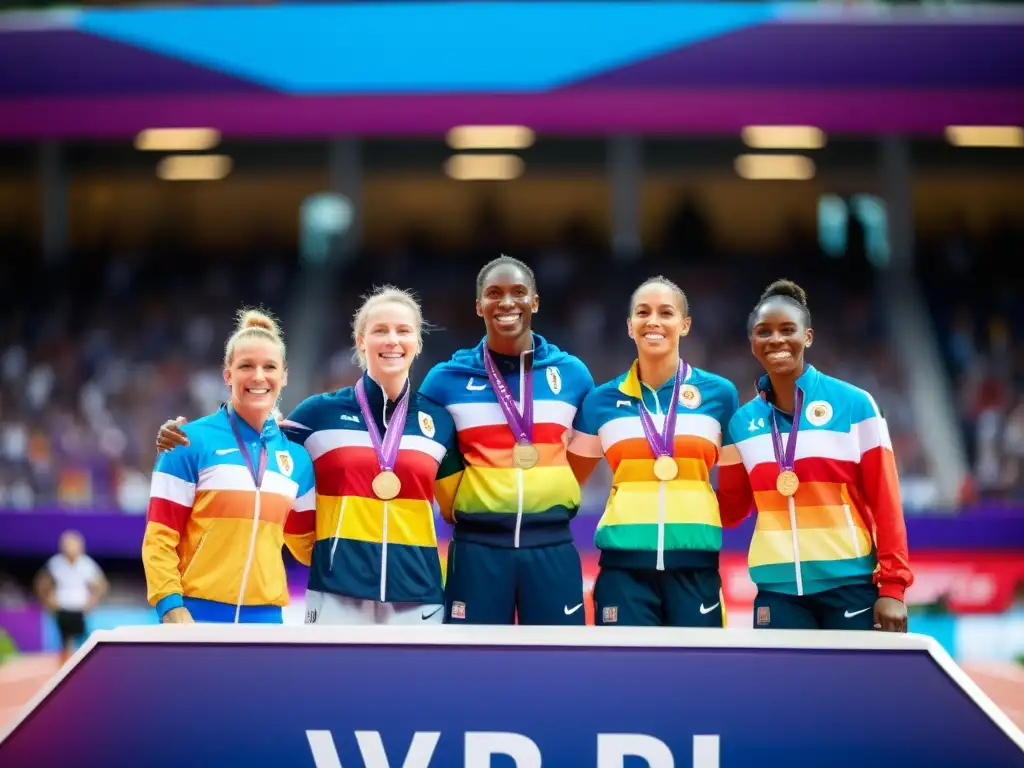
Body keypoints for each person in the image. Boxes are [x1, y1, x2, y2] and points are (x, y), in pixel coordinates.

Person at [156, 288, 461, 625]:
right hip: (336, 596)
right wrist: (181, 435)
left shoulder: (441, 423)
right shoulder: (317, 414)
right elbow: (257, 439)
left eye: (403, 331)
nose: (392, 340)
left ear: (418, 342)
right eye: (379, 330)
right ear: (361, 341)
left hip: (419, 596)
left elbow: (456, 506)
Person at [717, 279, 913, 632]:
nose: (776, 339)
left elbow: (886, 499)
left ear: (808, 336)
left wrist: (893, 587)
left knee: (849, 689)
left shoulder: (855, 405)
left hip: (849, 586)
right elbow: (730, 511)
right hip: (776, 592)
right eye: (764, 332)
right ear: (752, 343)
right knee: (784, 689)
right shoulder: (741, 423)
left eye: (787, 329)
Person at [419, 255, 595, 625]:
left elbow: (581, 458)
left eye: (518, 292)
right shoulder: (445, 380)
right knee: (473, 669)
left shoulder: (573, 374)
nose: (507, 302)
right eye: (494, 293)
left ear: (535, 301)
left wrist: (549, 486)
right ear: (479, 304)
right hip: (476, 549)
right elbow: (432, 459)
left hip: (552, 546)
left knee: (559, 666)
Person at [567, 277, 738, 627]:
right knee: (626, 680)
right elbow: (569, 482)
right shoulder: (600, 401)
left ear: (685, 324)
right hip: (622, 571)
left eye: (666, 312)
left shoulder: (721, 395)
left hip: (696, 568)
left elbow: (735, 485)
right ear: (630, 326)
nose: (654, 321)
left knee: (697, 679)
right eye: (643, 312)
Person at [142, 309, 317, 624]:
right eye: (246, 366)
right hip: (196, 616)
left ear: (284, 376)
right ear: (227, 374)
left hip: (266, 621)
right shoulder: (187, 441)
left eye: (269, 367)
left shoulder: (297, 460)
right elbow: (159, 536)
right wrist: (170, 605)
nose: (258, 376)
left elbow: (308, 548)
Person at [34, 530, 107, 664]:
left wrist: (92, 601)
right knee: (65, 644)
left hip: (80, 609)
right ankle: (63, 672)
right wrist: (48, 600)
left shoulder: (86, 564)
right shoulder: (55, 563)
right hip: (63, 607)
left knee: (85, 644)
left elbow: (100, 584)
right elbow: (42, 582)